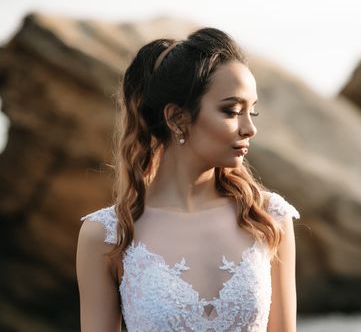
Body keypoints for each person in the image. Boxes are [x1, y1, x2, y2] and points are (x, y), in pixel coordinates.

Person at [76, 27, 300, 332]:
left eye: (253, 112)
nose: (250, 128)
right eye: (232, 111)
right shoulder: (106, 235)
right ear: (177, 118)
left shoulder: (268, 218)